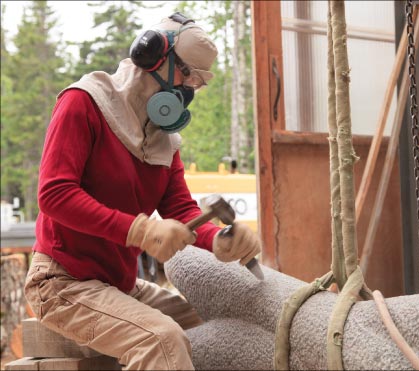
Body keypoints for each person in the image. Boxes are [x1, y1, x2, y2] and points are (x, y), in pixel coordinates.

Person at [24, 13, 262, 371]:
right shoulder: (84, 102)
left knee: (207, 327)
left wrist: (218, 239)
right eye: (188, 76)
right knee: (161, 341)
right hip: (62, 283)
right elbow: (54, 195)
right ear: (153, 55)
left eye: (199, 82)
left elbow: (180, 208)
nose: (190, 90)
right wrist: (139, 230)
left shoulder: (164, 139)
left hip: (118, 284)